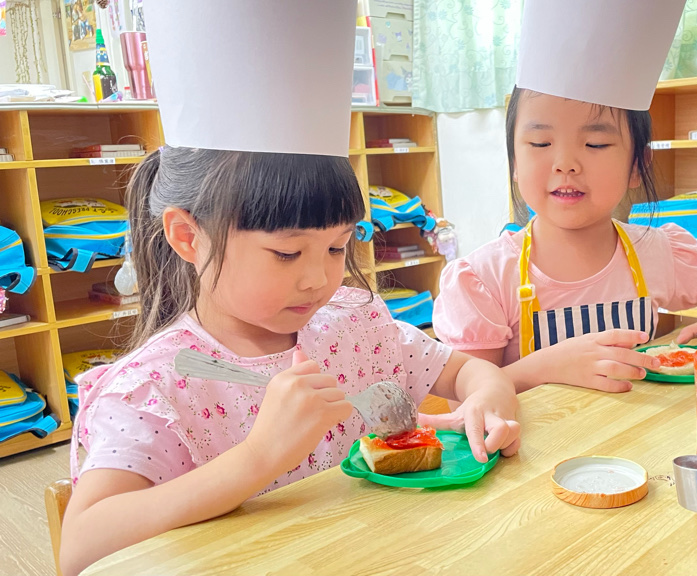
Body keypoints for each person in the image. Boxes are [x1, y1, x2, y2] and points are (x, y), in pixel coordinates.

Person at [60, 3, 519, 574]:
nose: (319, 279)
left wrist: (486, 400)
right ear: (187, 236)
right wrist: (259, 456)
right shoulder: (156, 387)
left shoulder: (352, 325)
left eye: (337, 247)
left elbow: (468, 372)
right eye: (285, 253)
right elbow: (81, 546)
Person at [433, 0, 697, 394]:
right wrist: (546, 367)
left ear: (637, 165)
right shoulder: (485, 279)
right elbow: (468, 400)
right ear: (514, 163)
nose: (565, 164)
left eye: (595, 144)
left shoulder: (656, 253)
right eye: (540, 143)